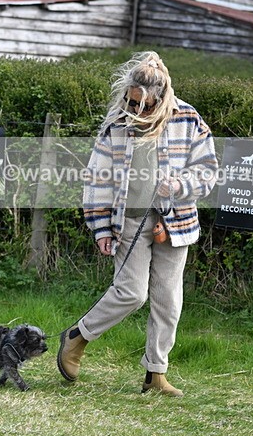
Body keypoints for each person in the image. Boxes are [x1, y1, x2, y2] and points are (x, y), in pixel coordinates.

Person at [57, 50, 218, 396]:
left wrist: (178, 185)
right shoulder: (117, 123)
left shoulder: (187, 118)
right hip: (128, 222)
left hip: (176, 222)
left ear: (162, 99)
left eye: (146, 106)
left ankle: (155, 374)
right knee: (131, 293)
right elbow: (97, 178)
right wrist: (100, 227)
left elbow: (207, 171)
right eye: (133, 104)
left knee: (168, 301)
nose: (139, 112)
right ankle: (77, 336)